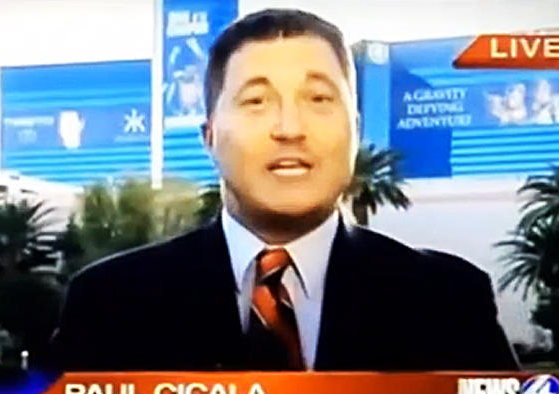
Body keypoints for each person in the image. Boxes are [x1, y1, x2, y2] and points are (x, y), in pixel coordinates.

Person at [50, 8, 518, 373]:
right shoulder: (110, 303)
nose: (290, 128)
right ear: (209, 136)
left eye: (319, 99)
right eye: (256, 101)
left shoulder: (447, 301)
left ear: (355, 130)